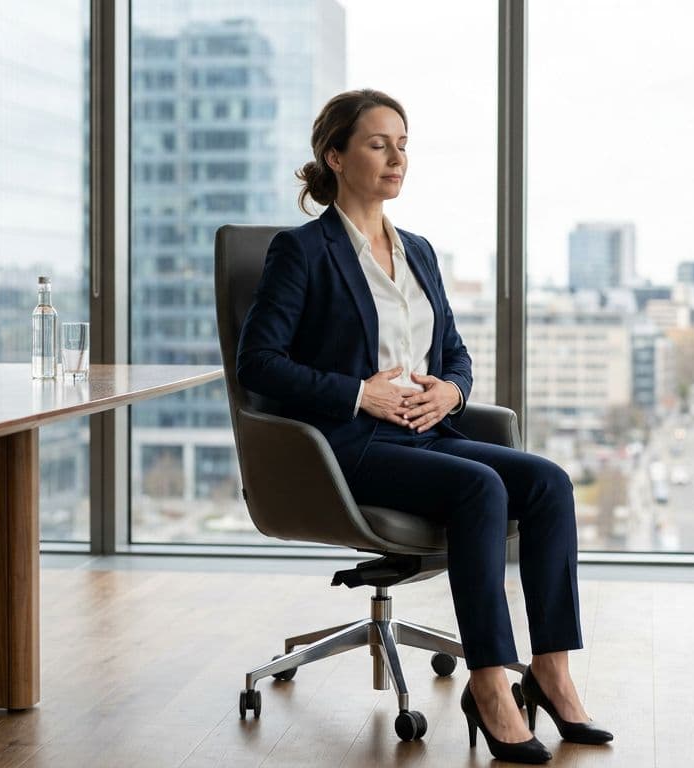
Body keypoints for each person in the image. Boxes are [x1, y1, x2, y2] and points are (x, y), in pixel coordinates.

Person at [236, 89, 613, 764]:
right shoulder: (303, 251)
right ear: (335, 155)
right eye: (379, 144)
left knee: (550, 483)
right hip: (348, 448)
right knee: (480, 490)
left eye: (403, 144)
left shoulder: (419, 251)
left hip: (428, 435)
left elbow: (458, 356)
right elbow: (258, 365)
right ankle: (492, 685)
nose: (396, 158)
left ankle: (552, 671)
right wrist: (359, 395)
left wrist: (451, 392)